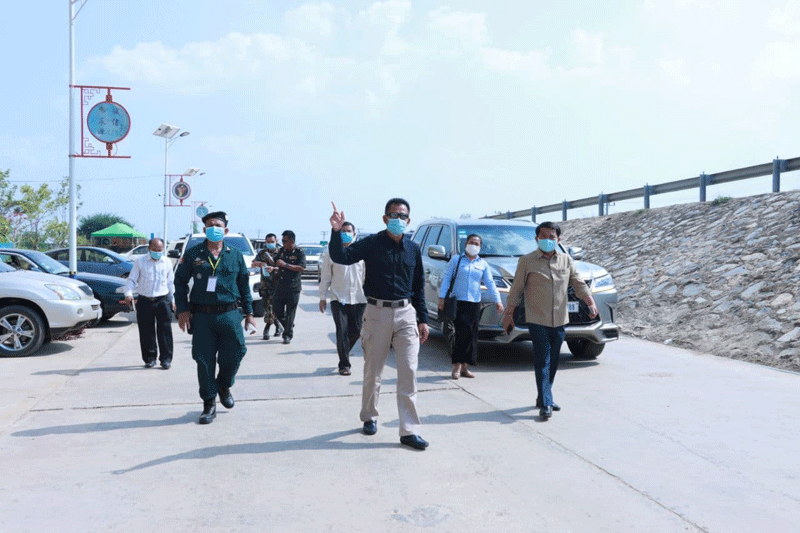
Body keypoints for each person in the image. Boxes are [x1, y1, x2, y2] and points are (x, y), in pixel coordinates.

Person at [328, 198, 431, 451]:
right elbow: (342, 256)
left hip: (406, 313)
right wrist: (336, 232)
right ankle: (369, 416)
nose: (399, 220)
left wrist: (423, 319)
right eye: (394, 215)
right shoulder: (372, 243)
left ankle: (409, 430)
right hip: (376, 312)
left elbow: (418, 286)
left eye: (403, 216)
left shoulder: (413, 248)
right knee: (373, 371)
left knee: (408, 371)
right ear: (385, 219)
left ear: (409, 220)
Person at [501, 221, 598, 419]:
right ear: (536, 239)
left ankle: (543, 396)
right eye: (543, 237)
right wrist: (509, 314)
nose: (547, 240)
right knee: (542, 359)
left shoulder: (566, 260)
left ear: (558, 239)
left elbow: (578, 283)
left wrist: (590, 302)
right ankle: (546, 402)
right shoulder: (527, 261)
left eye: (552, 237)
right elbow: (516, 290)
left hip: (560, 319)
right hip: (537, 319)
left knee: (553, 361)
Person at [175, 211, 257, 424]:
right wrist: (183, 310)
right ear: (204, 230)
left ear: (226, 230)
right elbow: (179, 282)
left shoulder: (235, 254)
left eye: (218, 226)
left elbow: (244, 286)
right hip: (202, 316)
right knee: (204, 360)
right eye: (210, 225)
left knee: (237, 352)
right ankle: (209, 403)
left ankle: (224, 385)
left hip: (230, 314)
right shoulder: (193, 254)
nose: (214, 229)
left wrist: (249, 314)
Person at [438, 234, 503, 380]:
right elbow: (447, 278)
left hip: (474, 303)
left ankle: (465, 367)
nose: (474, 245)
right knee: (461, 334)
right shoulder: (457, 260)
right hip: (458, 302)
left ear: (480, 247)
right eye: (471, 242)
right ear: (466, 244)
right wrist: (442, 297)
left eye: (477, 243)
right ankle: (457, 366)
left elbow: (490, 283)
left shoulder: (482, 264)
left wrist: (497, 300)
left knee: (472, 335)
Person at [318, 221, 366, 376]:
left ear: (354, 233)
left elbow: (365, 276)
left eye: (348, 231)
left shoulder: (361, 253)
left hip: (359, 299)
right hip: (338, 298)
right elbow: (326, 276)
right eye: (343, 231)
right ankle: (344, 364)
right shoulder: (331, 253)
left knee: (356, 331)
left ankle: (343, 350)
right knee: (342, 331)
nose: (346, 233)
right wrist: (322, 297)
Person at [123, 238, 176, 369]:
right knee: (146, 331)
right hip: (145, 300)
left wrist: (173, 300)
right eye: (155, 249)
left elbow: (171, 283)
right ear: (149, 249)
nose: (157, 252)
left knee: (165, 331)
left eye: (160, 250)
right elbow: (131, 280)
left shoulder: (167, 262)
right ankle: (150, 358)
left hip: (163, 300)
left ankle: (166, 359)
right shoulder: (140, 262)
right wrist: (128, 294)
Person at [272, 230, 306, 344]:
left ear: (291, 241)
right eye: (282, 241)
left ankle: (287, 335)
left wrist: (285, 265)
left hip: (293, 287)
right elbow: (275, 261)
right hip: (280, 286)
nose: (283, 243)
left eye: (284, 241)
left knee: (290, 312)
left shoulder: (299, 252)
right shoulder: (281, 250)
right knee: (277, 309)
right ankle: (289, 325)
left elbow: (301, 268)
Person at [253, 233, 283, 340]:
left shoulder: (281, 252)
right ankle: (278, 326)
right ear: (265, 242)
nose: (270, 244)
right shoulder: (262, 253)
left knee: (272, 307)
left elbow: (285, 267)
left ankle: (267, 329)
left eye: (272, 242)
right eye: (268, 242)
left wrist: (274, 268)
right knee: (266, 307)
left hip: (277, 284)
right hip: (265, 284)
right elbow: (253, 263)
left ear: (276, 241)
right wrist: (260, 264)